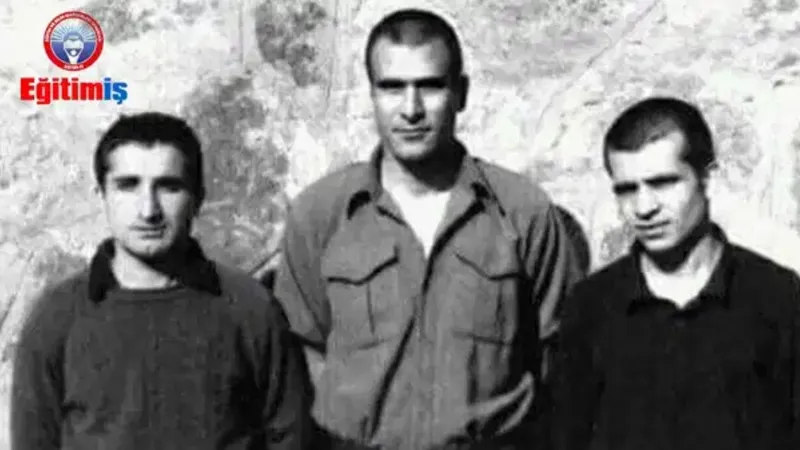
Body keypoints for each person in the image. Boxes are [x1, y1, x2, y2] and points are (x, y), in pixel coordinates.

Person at [269, 8, 584, 450]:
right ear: (372, 95)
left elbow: (560, 354)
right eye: (392, 87)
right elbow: (301, 348)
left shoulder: (523, 212)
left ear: (461, 93)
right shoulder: (321, 214)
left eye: (431, 86)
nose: (411, 109)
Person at [11, 112, 313, 450]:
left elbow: (293, 438)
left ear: (198, 198)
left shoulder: (251, 309)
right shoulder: (56, 317)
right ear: (101, 196)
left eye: (169, 186)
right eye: (128, 185)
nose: (148, 210)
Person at [551, 96, 800, 450]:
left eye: (663, 183)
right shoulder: (590, 305)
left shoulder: (777, 296)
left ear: (708, 177)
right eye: (627, 189)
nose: (644, 208)